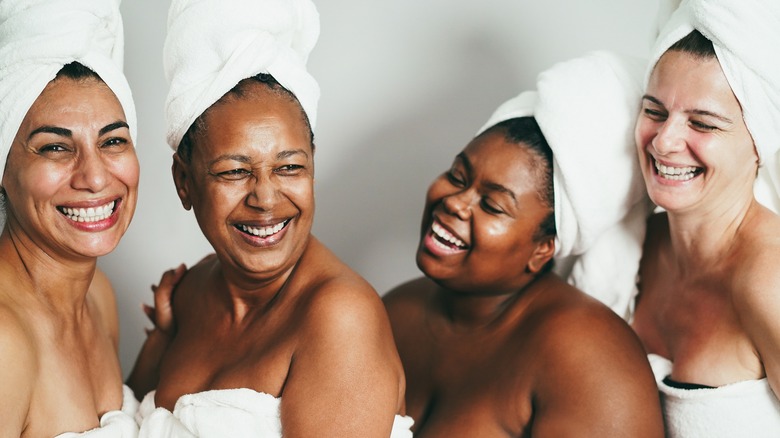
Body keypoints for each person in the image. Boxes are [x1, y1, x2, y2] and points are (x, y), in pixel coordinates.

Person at [127, 0, 413, 436]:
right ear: (184, 181)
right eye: (235, 171)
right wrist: (161, 339)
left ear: (313, 163)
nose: (265, 198)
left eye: (289, 167)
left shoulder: (339, 317)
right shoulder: (189, 295)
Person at [383, 51, 664, 437]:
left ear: (542, 249)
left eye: (493, 205)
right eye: (458, 175)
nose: (454, 202)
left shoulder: (589, 358)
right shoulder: (396, 312)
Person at [630, 0, 780, 435]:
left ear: (759, 143)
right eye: (654, 111)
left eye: (703, 124)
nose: (664, 141)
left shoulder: (769, 281)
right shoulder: (632, 245)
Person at [0, 0, 140, 436]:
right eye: (55, 147)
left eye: (113, 140)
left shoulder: (98, 295)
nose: (95, 177)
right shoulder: (4, 342)